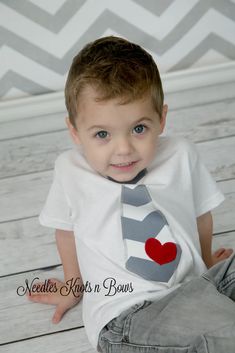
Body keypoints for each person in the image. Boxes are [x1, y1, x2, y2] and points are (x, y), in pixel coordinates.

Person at [28, 36, 235, 352]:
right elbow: (66, 233)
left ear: (161, 119)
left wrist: (207, 263)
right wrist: (72, 287)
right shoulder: (69, 170)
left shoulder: (181, 154)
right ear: (75, 132)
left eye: (139, 129)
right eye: (102, 134)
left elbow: (200, 215)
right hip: (130, 317)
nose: (123, 149)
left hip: (195, 288)